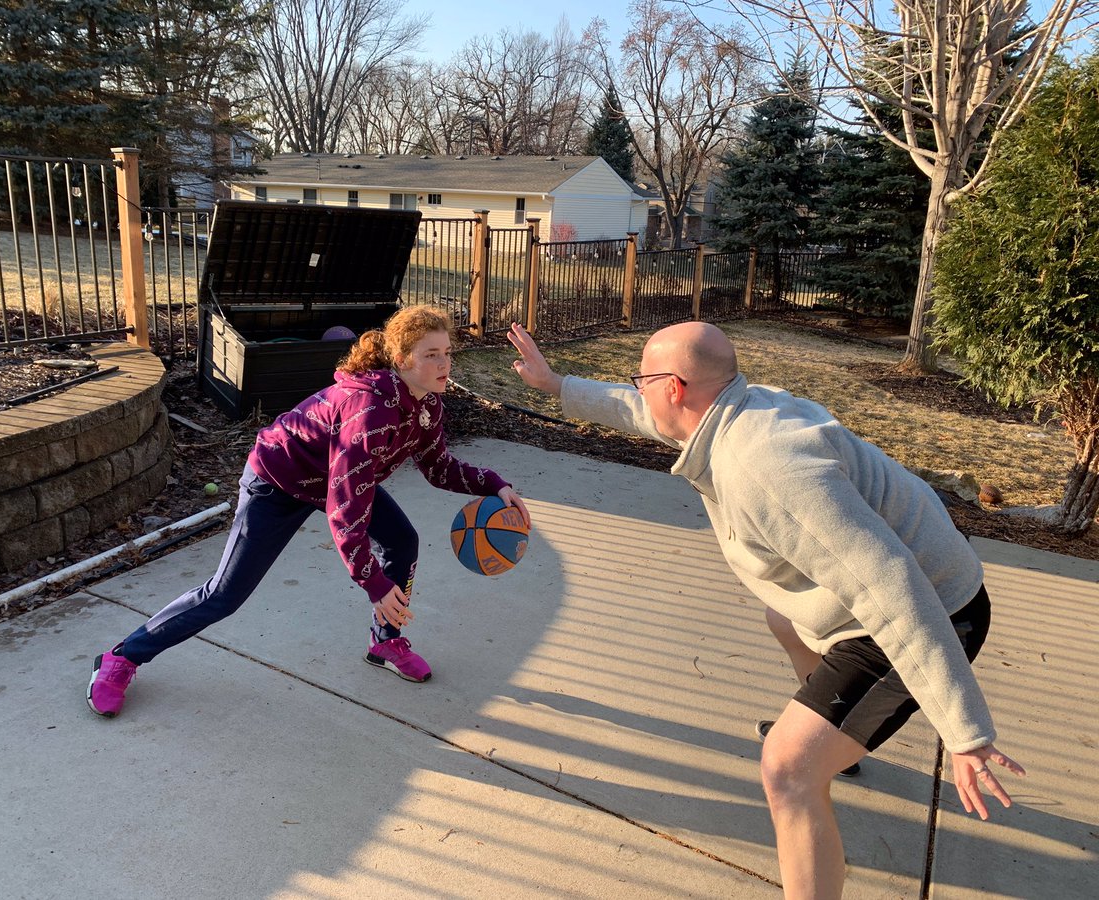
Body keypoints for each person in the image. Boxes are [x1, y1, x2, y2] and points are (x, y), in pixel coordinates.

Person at [507, 320, 1024, 899]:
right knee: (785, 618)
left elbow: (893, 591)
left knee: (788, 771)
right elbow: (639, 410)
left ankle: (817, 766)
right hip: (898, 586)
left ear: (676, 388)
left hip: (934, 608)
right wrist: (556, 385)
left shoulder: (767, 467)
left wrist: (965, 734)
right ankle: (836, 743)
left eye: (644, 379)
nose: (640, 391)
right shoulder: (733, 409)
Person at [86, 305, 529, 717]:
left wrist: (494, 485)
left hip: (335, 481)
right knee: (225, 593)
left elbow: (438, 467)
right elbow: (346, 508)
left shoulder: (427, 403)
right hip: (279, 480)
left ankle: (386, 642)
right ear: (400, 358)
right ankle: (121, 656)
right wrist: (373, 582)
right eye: (431, 355)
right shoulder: (370, 411)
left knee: (402, 540)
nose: (444, 364)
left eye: (447, 353)